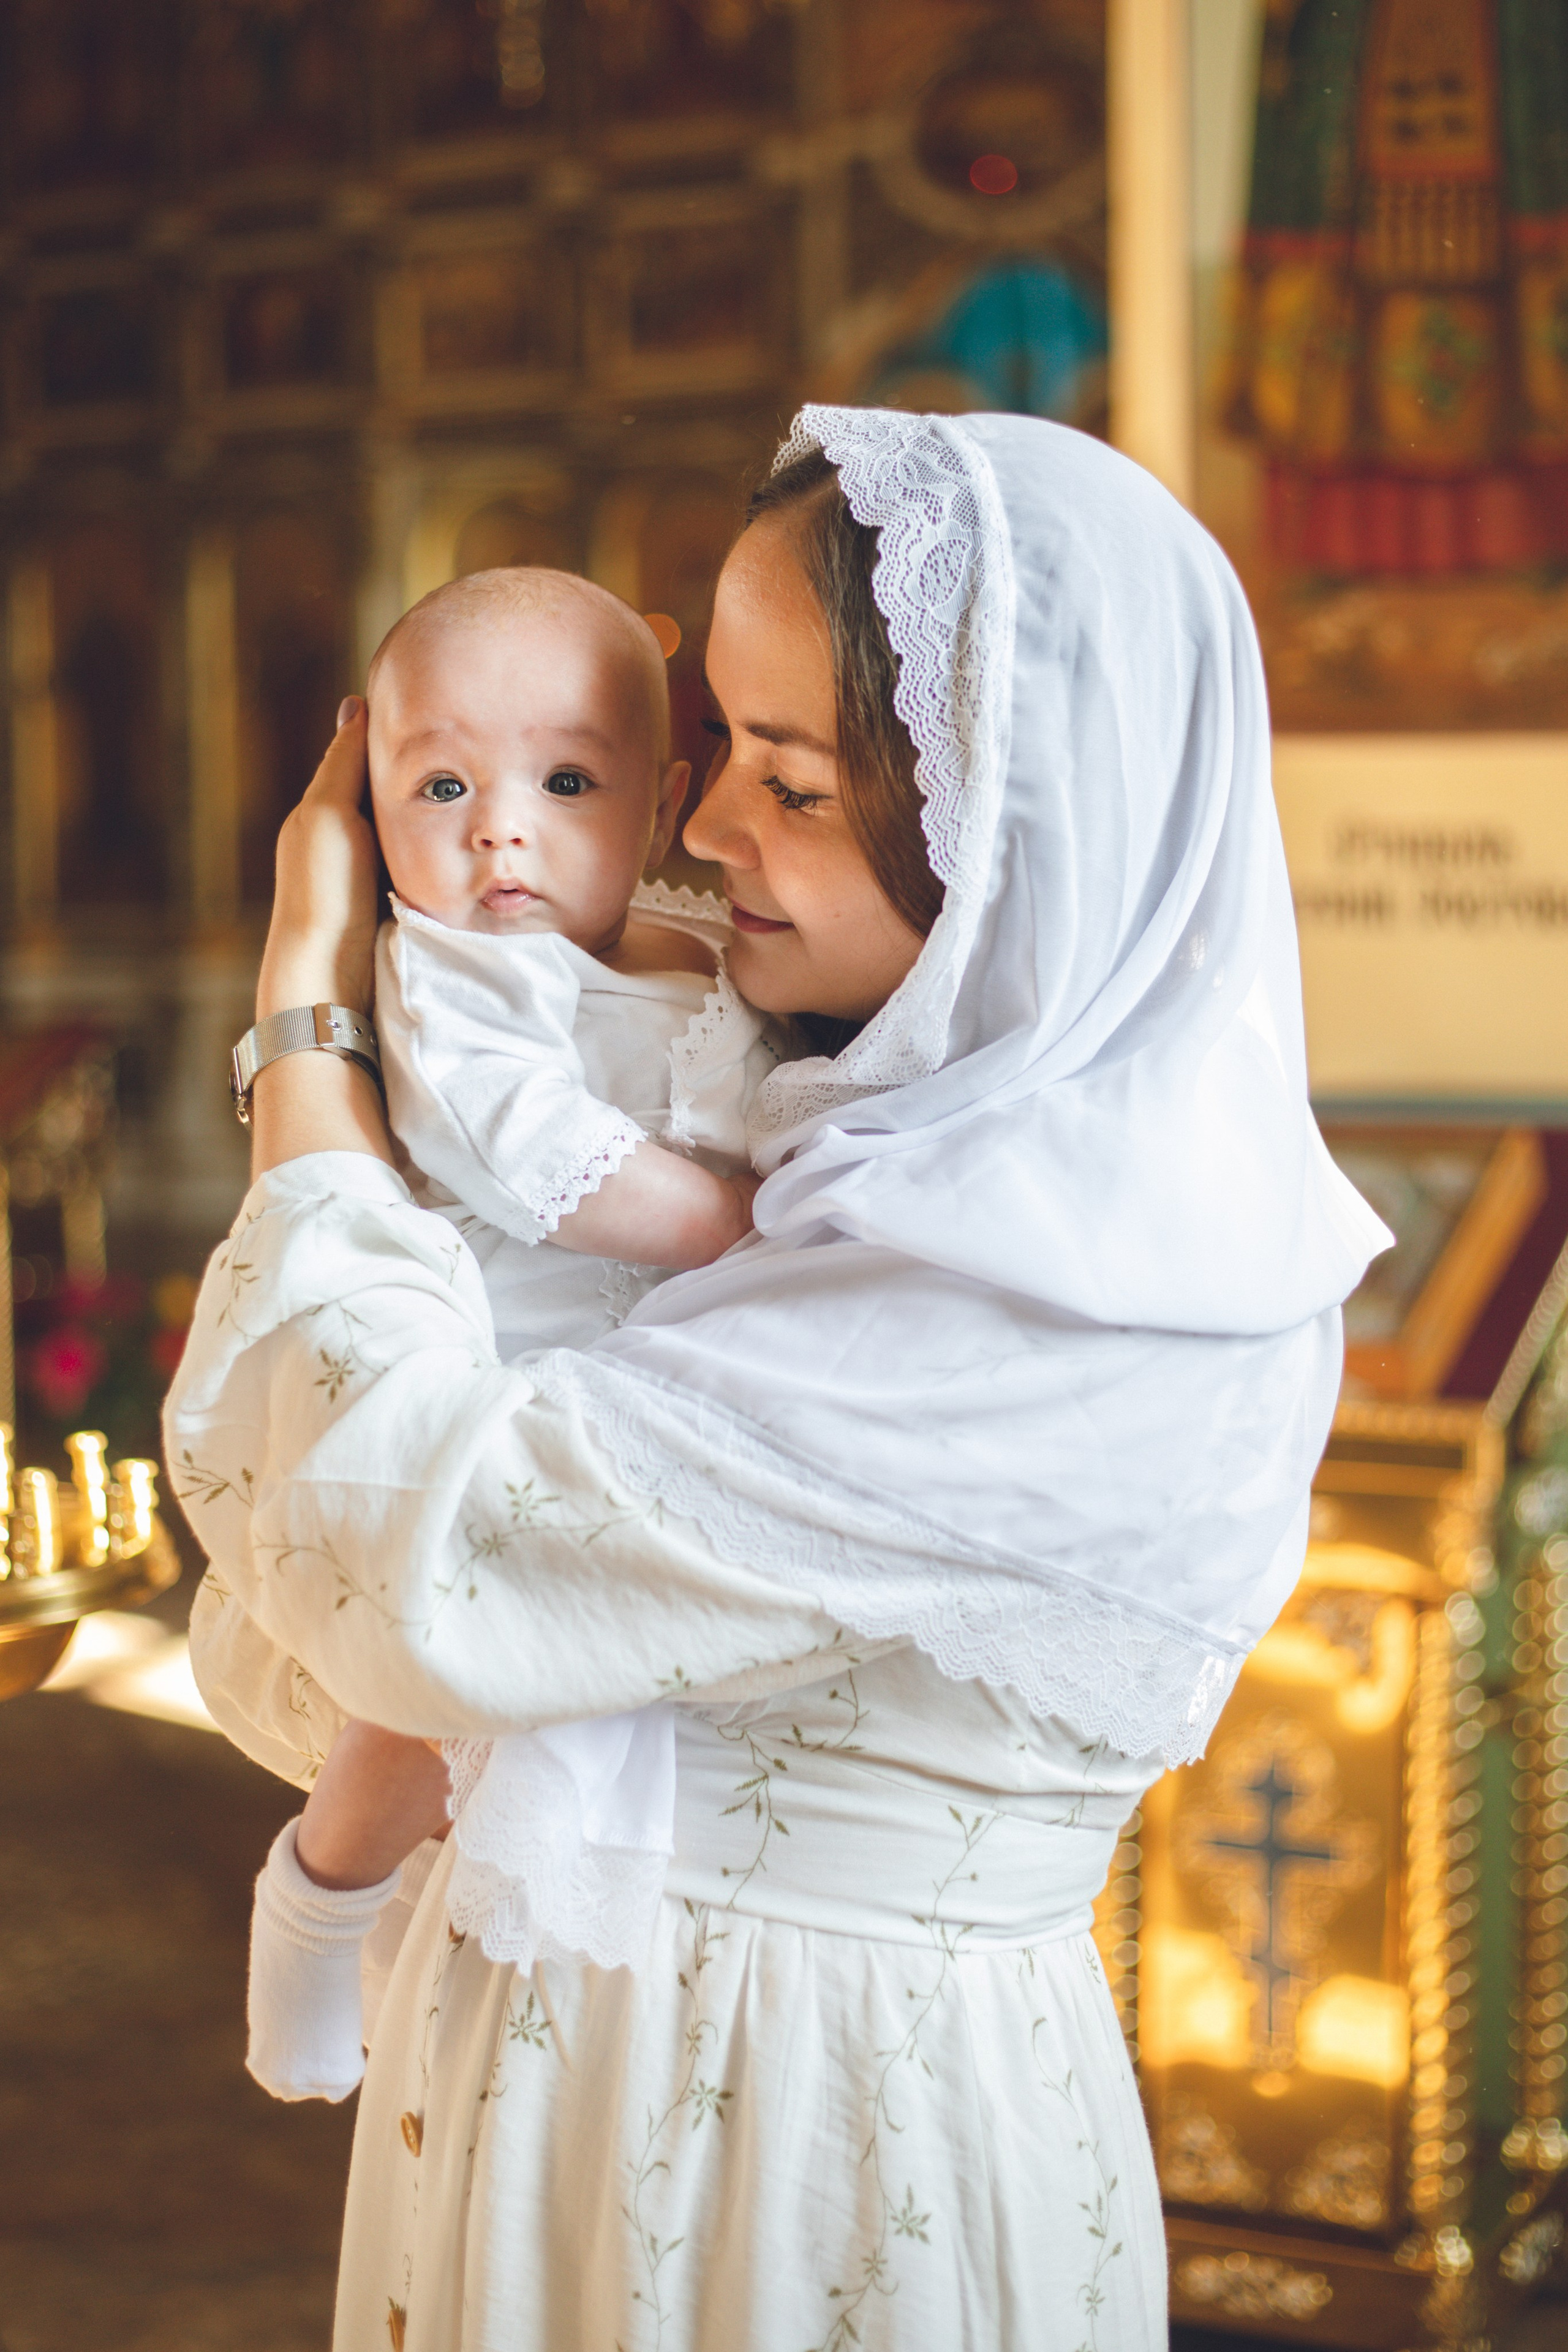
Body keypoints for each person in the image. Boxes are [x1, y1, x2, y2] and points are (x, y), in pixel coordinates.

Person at [167, 405, 1388, 2351]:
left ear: (1019, 836)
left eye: (795, 782)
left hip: (807, 2164)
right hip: (581, 2098)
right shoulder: (854, 1139)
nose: (705, 824)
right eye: (715, 742)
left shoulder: (1053, 1287)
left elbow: (410, 1583)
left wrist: (308, 1029)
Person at [244, 568, 781, 2105]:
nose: (498, 830)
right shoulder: (454, 975)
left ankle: (477, 1960)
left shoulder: (696, 953)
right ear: (368, 806)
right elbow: (530, 1153)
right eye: (441, 784)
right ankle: (312, 1902)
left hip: (642, 1399)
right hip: (489, 1395)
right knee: (426, 1694)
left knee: (573, 1705)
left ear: (668, 797)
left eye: (563, 780)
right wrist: (743, 1227)